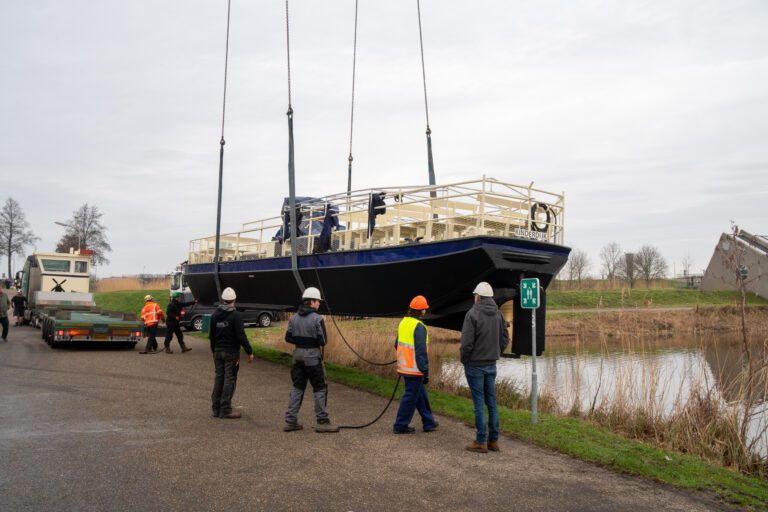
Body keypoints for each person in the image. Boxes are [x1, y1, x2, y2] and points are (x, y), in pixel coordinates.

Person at [460, 282, 509, 453]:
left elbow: (466, 343)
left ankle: (481, 441)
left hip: (475, 364)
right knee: (492, 402)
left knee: (479, 403)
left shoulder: (472, 314)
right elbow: (505, 338)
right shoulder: (498, 314)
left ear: (478, 297)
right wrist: (497, 352)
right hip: (491, 364)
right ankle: (493, 440)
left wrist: (465, 360)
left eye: (475, 295)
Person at [283, 287, 339, 433]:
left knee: (297, 387)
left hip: (297, 357)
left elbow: (288, 338)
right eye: (318, 302)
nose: (319, 304)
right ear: (312, 302)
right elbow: (323, 341)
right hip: (313, 357)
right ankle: (322, 421)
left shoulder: (293, 318)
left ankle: (290, 421)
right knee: (320, 387)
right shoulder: (317, 318)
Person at [392, 295, 438, 434]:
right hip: (415, 368)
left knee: (419, 394)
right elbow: (420, 352)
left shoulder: (403, 323)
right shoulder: (419, 327)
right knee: (411, 397)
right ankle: (400, 425)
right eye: (425, 309)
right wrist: (425, 371)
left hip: (405, 367)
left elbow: (396, 344)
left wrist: (405, 358)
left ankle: (429, 422)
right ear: (422, 311)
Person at [209, 287, 254, 419]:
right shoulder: (236, 316)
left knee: (219, 379)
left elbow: (212, 335)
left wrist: (213, 351)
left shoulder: (215, 315)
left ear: (223, 300)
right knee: (229, 379)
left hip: (218, 351)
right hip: (231, 353)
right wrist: (249, 351)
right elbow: (241, 336)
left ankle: (216, 409)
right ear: (234, 300)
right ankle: (226, 409)